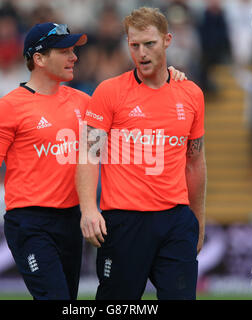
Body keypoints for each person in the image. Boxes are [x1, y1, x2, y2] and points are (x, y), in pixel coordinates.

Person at [0, 22, 187, 300]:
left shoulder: (85, 102)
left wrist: (164, 78)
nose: (74, 57)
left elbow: (131, 116)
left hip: (72, 221)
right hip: (30, 223)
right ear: (39, 59)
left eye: (73, 51)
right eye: (65, 51)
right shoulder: (7, 108)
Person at [76, 7, 206, 300]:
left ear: (167, 40)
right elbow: (88, 154)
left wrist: (198, 219)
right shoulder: (109, 92)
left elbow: (195, 161)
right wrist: (88, 208)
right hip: (124, 222)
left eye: (150, 44)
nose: (142, 53)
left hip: (176, 221)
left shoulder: (191, 94)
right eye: (134, 45)